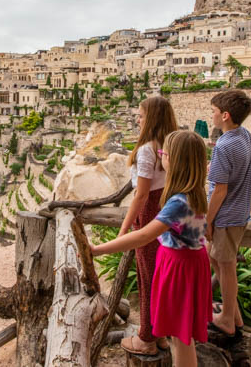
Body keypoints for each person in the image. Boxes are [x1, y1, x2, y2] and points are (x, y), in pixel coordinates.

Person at [92, 131, 212, 367]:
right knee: (181, 334)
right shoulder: (195, 193)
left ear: (175, 161)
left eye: (163, 153)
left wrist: (97, 249)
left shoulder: (178, 202)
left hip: (179, 269)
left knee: (180, 338)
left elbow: (144, 235)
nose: (160, 157)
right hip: (189, 264)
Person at [117, 96, 178, 354]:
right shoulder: (170, 145)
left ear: (150, 118)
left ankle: (146, 339)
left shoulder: (146, 150)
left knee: (147, 276)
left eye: (141, 115)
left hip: (149, 212)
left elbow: (141, 195)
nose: (137, 119)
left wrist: (123, 230)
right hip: (166, 209)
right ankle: (160, 334)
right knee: (159, 275)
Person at [206, 89, 251, 338]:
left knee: (225, 267)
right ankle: (234, 314)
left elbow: (219, 189)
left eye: (214, 111)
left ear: (225, 115)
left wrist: (207, 220)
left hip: (225, 216)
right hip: (240, 212)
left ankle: (227, 318)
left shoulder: (224, 146)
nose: (212, 115)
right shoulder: (244, 136)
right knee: (218, 261)